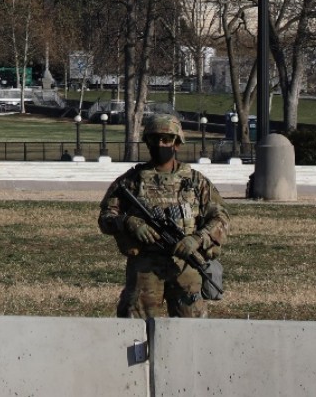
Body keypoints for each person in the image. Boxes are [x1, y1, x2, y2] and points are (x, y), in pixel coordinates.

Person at [97, 112, 226, 318]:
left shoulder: (196, 182)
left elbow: (220, 219)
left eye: (166, 139)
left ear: (177, 143)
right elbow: (105, 218)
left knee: (189, 330)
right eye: (154, 139)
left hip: (185, 265)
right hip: (145, 267)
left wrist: (197, 239)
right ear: (147, 142)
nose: (160, 144)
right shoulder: (130, 182)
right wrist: (128, 222)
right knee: (136, 328)